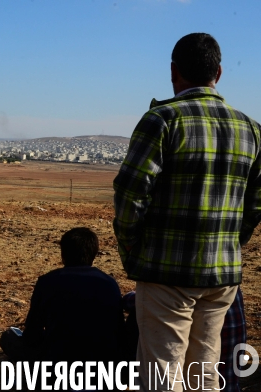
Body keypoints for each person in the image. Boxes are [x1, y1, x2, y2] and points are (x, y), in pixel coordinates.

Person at [113, 32, 261, 391]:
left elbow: (130, 191)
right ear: (219, 73)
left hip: (167, 272)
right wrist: (230, 244)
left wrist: (132, 248)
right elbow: (255, 203)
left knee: (163, 375)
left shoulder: (162, 119)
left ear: (173, 72)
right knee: (205, 373)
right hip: (221, 276)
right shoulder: (251, 130)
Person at [0, 227, 125, 366]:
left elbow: (32, 334)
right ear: (94, 254)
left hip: (58, 364)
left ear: (63, 254)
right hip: (103, 364)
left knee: (9, 337)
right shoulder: (109, 283)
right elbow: (118, 330)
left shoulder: (47, 281)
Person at [122, 288, 247, 392]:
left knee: (164, 375)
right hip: (224, 276)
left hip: (177, 277)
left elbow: (140, 301)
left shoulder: (172, 286)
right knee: (205, 371)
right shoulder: (231, 293)